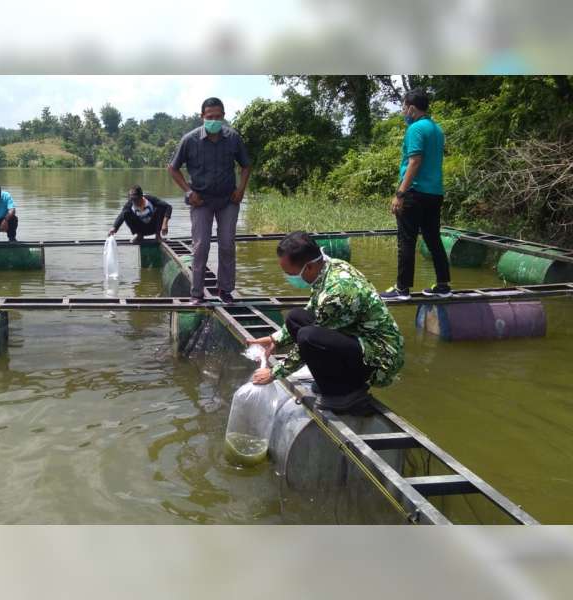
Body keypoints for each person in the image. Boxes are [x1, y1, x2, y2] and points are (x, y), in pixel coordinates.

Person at [247, 232, 404, 413]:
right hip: (358, 340)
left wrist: (274, 373)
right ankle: (335, 383)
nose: (289, 277)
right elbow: (312, 310)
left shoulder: (338, 292)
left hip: (379, 358)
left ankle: (347, 394)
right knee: (295, 317)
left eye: (290, 273)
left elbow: (310, 338)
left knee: (308, 336)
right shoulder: (328, 267)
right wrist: (275, 339)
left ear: (309, 267)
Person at [168, 97, 251, 305]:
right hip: (201, 201)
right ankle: (197, 294)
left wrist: (241, 189)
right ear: (202, 117)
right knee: (201, 246)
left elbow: (246, 165)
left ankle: (225, 291)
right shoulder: (190, 140)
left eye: (218, 116)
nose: (214, 120)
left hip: (228, 200)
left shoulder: (233, 138)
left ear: (223, 116)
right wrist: (189, 192)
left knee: (227, 244)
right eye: (210, 117)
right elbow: (173, 168)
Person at [381, 88, 452, 300]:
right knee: (433, 239)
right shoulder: (437, 129)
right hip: (434, 193)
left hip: (415, 193)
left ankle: (402, 289)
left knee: (406, 241)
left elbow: (415, 161)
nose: (403, 112)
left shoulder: (415, 129)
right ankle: (443, 286)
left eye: (403, 107)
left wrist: (400, 194)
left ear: (412, 108)